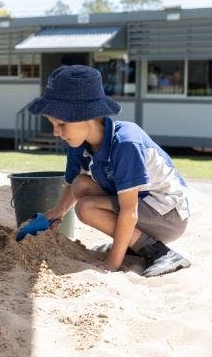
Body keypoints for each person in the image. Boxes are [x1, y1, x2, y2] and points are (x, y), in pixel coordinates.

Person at [27, 65, 191, 277]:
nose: (56, 132)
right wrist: (58, 212)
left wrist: (113, 262)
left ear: (88, 115)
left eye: (61, 123)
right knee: (81, 184)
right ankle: (134, 243)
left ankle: (159, 252)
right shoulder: (78, 144)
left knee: (86, 208)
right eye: (52, 124)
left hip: (168, 214)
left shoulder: (126, 143)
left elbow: (129, 210)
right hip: (141, 208)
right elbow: (73, 185)